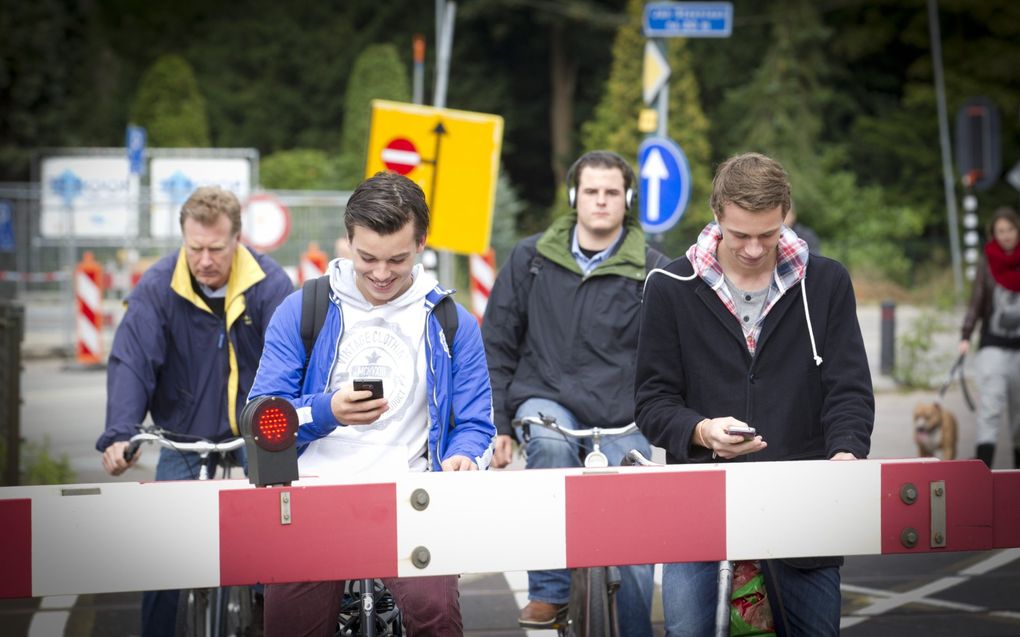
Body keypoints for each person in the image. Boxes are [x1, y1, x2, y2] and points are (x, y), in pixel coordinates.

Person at [634, 152, 874, 636]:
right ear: (717, 214)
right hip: (697, 506)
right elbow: (652, 402)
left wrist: (847, 452)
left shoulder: (826, 283)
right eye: (740, 234)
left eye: (768, 233)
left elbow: (848, 389)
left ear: (786, 213)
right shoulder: (669, 287)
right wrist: (701, 431)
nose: (752, 248)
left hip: (805, 506)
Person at [247, 171, 495, 636]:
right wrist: (326, 411)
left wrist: (464, 458)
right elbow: (263, 415)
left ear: (421, 243)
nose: (381, 274)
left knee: (437, 616)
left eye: (397, 260)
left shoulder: (451, 323)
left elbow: (477, 423)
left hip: (414, 500)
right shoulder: (302, 310)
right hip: (313, 499)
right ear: (348, 241)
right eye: (367, 259)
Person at [96, 185, 293, 637]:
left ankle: (268, 619)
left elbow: (292, 363)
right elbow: (133, 359)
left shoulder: (271, 285)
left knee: (276, 540)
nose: (204, 260)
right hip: (181, 433)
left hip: (254, 433)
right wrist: (120, 433)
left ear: (237, 240)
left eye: (216, 249)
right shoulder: (159, 285)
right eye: (195, 248)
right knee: (162, 556)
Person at [483, 150, 662, 635]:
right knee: (549, 443)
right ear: (573, 197)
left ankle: (633, 630)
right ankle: (549, 592)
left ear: (625, 199)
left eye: (610, 193)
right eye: (591, 192)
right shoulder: (531, 258)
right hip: (546, 396)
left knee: (634, 528)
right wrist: (499, 426)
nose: (600, 201)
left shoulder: (654, 270)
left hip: (623, 414)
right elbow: (496, 344)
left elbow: (671, 359)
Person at [959, 206, 1020, 469]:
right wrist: (965, 335)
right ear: (994, 235)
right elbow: (977, 301)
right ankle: (983, 472)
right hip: (993, 346)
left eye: (1010, 230)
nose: (1006, 235)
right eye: (1001, 231)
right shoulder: (987, 261)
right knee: (991, 410)